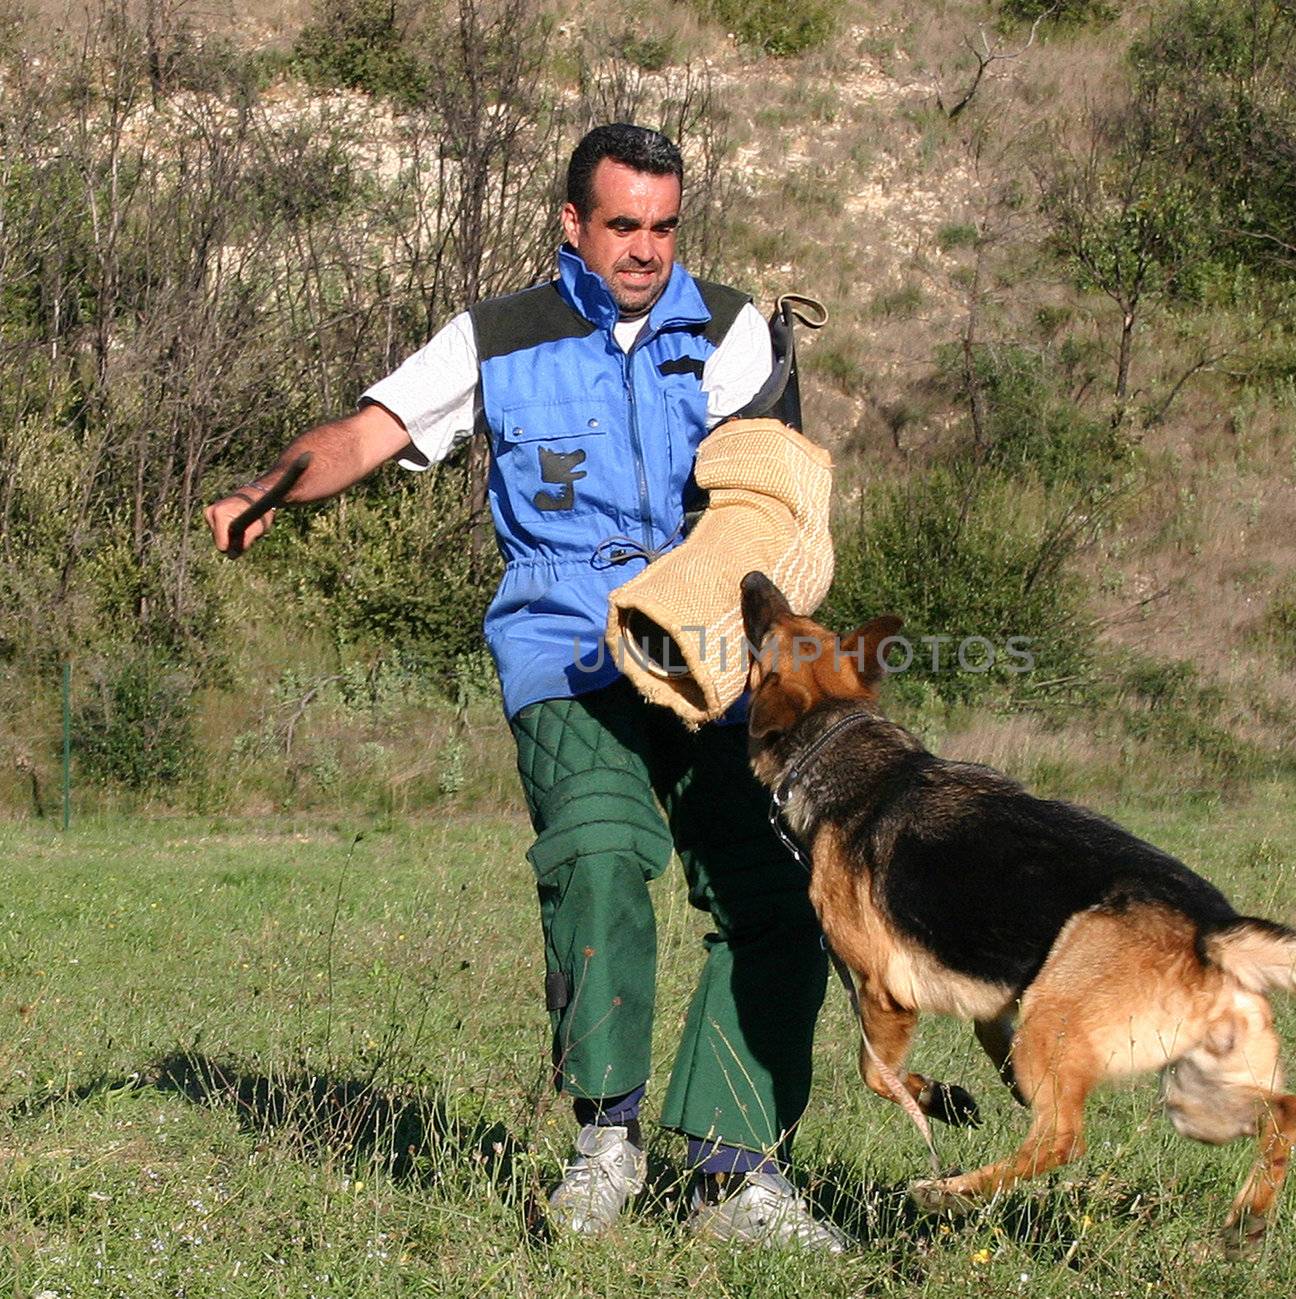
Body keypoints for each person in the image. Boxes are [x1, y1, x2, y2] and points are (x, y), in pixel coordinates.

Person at [205, 124, 841, 1251]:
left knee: (776, 892)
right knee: (597, 854)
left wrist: (734, 609)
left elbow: (768, 493)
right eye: (622, 226)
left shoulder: (736, 331)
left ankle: (738, 1180)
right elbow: (370, 431)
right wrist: (269, 487)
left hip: (707, 644)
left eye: (664, 225)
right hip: (562, 638)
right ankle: (607, 1144)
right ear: (572, 223)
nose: (646, 249)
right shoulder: (497, 337)